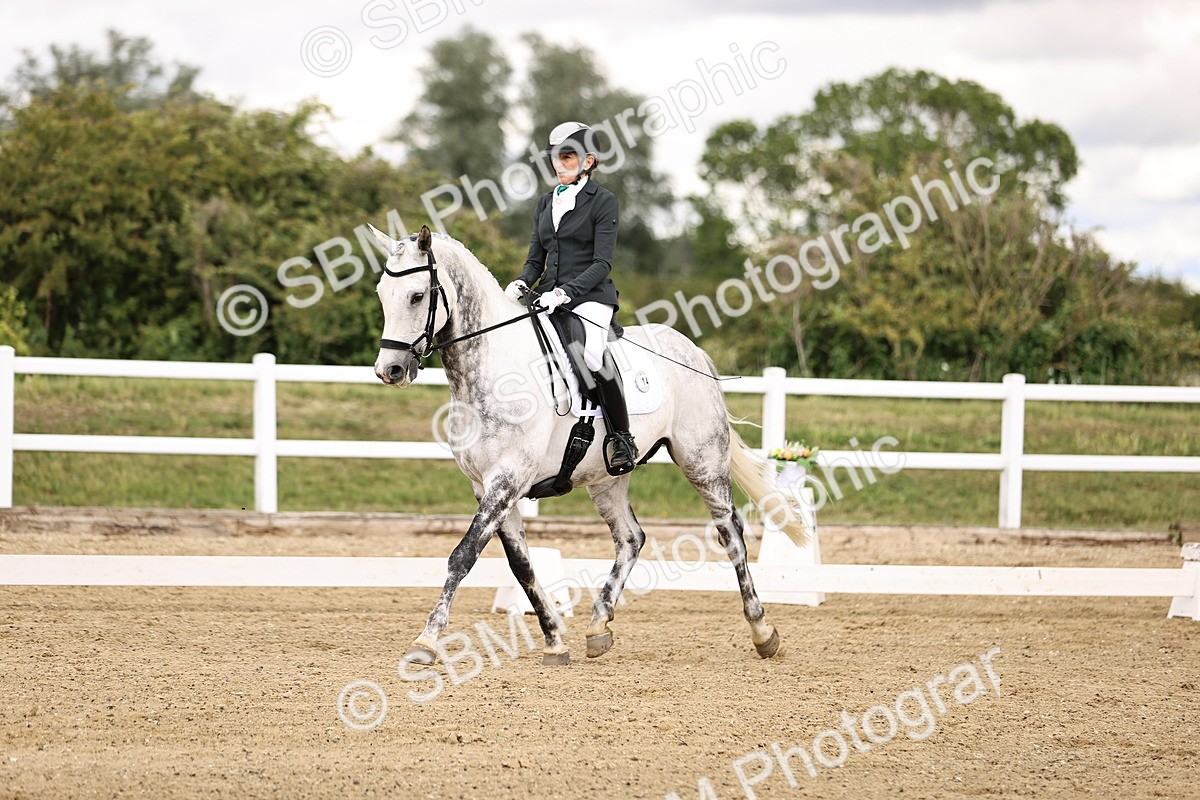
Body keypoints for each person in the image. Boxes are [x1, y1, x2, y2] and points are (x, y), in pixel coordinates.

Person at [505, 121, 638, 474]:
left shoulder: (604, 202)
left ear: (588, 161)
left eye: (568, 157)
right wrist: (521, 283)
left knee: (591, 353)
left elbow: (602, 263)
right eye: (555, 158)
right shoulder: (545, 202)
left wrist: (566, 292)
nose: (559, 164)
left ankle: (621, 437)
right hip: (549, 295)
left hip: (591, 296)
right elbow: (536, 258)